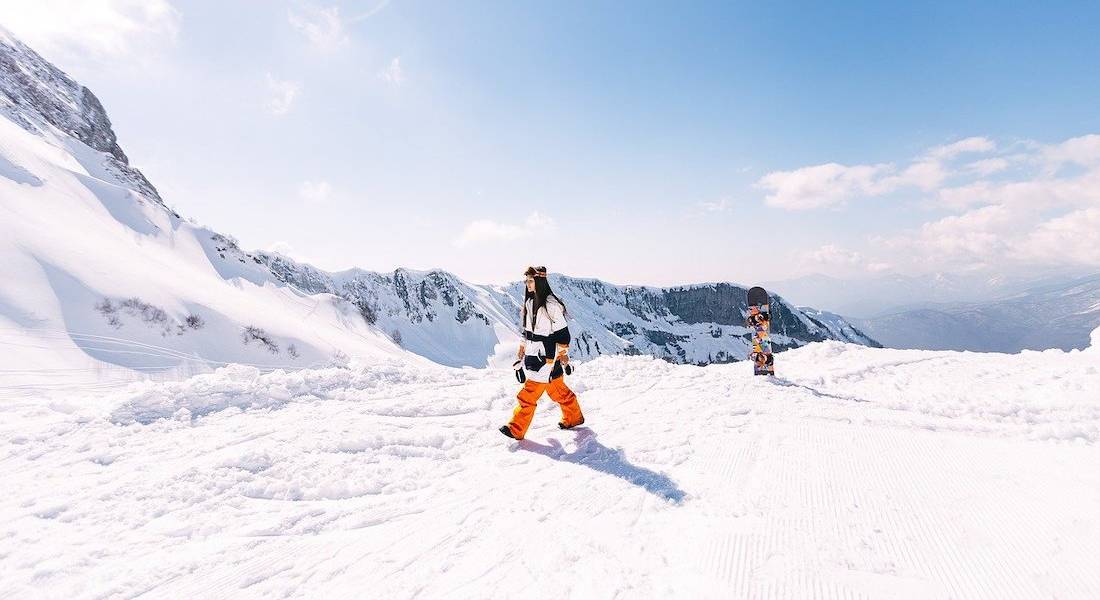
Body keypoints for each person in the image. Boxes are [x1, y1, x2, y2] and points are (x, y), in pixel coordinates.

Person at [499, 266, 585, 440]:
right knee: (557, 390)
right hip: (534, 354)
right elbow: (527, 332)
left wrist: (563, 355)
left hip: (546, 357)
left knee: (528, 394)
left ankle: (516, 428)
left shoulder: (551, 305)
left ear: (539, 281)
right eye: (526, 281)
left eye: (530, 281)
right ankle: (573, 417)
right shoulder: (530, 303)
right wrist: (522, 350)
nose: (527, 284)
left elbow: (562, 334)